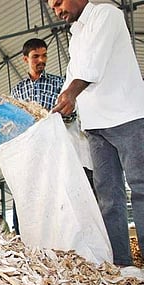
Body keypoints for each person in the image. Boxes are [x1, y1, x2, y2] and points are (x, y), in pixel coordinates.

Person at [48, 0, 144, 266]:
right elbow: (72, 74)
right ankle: (121, 264)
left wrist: (70, 94)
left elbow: (92, 66)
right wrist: (62, 105)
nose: (57, 11)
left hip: (128, 115)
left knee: (140, 187)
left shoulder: (107, 14)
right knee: (108, 196)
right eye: (53, 8)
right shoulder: (75, 33)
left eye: (59, 3)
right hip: (94, 126)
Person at [9, 37, 94, 234]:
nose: (41, 60)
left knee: (61, 191)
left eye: (44, 55)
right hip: (32, 151)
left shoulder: (59, 83)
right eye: (35, 56)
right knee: (28, 191)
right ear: (25, 59)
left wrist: (50, 118)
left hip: (57, 146)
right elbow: (15, 121)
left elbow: (72, 113)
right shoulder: (17, 90)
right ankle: (23, 234)